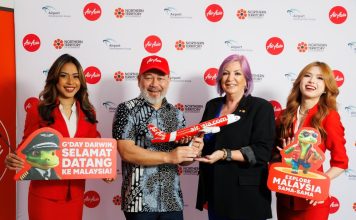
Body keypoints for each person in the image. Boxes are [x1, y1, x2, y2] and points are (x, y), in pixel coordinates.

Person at [5, 54, 101, 220]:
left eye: (76, 76)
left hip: (76, 196)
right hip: (44, 196)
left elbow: (96, 148)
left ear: (81, 81)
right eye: (64, 76)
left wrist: (106, 170)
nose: (70, 82)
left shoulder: (89, 112)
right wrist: (13, 159)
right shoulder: (38, 109)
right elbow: (25, 147)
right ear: (55, 79)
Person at [112, 55, 204, 220]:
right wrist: (169, 156)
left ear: (168, 80)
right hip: (139, 202)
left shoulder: (176, 114)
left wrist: (194, 151)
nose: (155, 84)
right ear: (139, 80)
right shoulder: (126, 109)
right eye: (148, 78)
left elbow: (184, 160)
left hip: (172, 201)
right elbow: (127, 151)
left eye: (160, 78)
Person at [195, 54, 275, 220]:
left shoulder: (261, 107)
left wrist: (225, 154)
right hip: (215, 192)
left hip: (246, 198)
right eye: (225, 73)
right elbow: (204, 140)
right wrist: (198, 145)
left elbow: (262, 151)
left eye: (237, 73)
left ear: (247, 80)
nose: (230, 78)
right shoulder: (212, 106)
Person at [274, 61, 348, 220]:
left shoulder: (329, 117)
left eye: (320, 78)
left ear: (326, 88)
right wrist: (280, 157)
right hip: (285, 198)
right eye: (307, 75)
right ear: (300, 81)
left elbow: (341, 163)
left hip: (313, 200)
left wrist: (320, 185)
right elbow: (272, 154)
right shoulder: (283, 115)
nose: (312, 81)